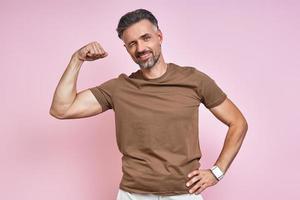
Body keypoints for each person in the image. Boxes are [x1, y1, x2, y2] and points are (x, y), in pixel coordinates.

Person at [49, 8, 248, 200]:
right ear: (126, 49)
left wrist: (217, 172)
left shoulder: (194, 80)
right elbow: (61, 109)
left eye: (146, 38)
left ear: (159, 36)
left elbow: (238, 122)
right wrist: (77, 59)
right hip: (133, 195)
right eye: (132, 43)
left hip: (184, 193)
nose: (141, 48)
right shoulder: (119, 88)